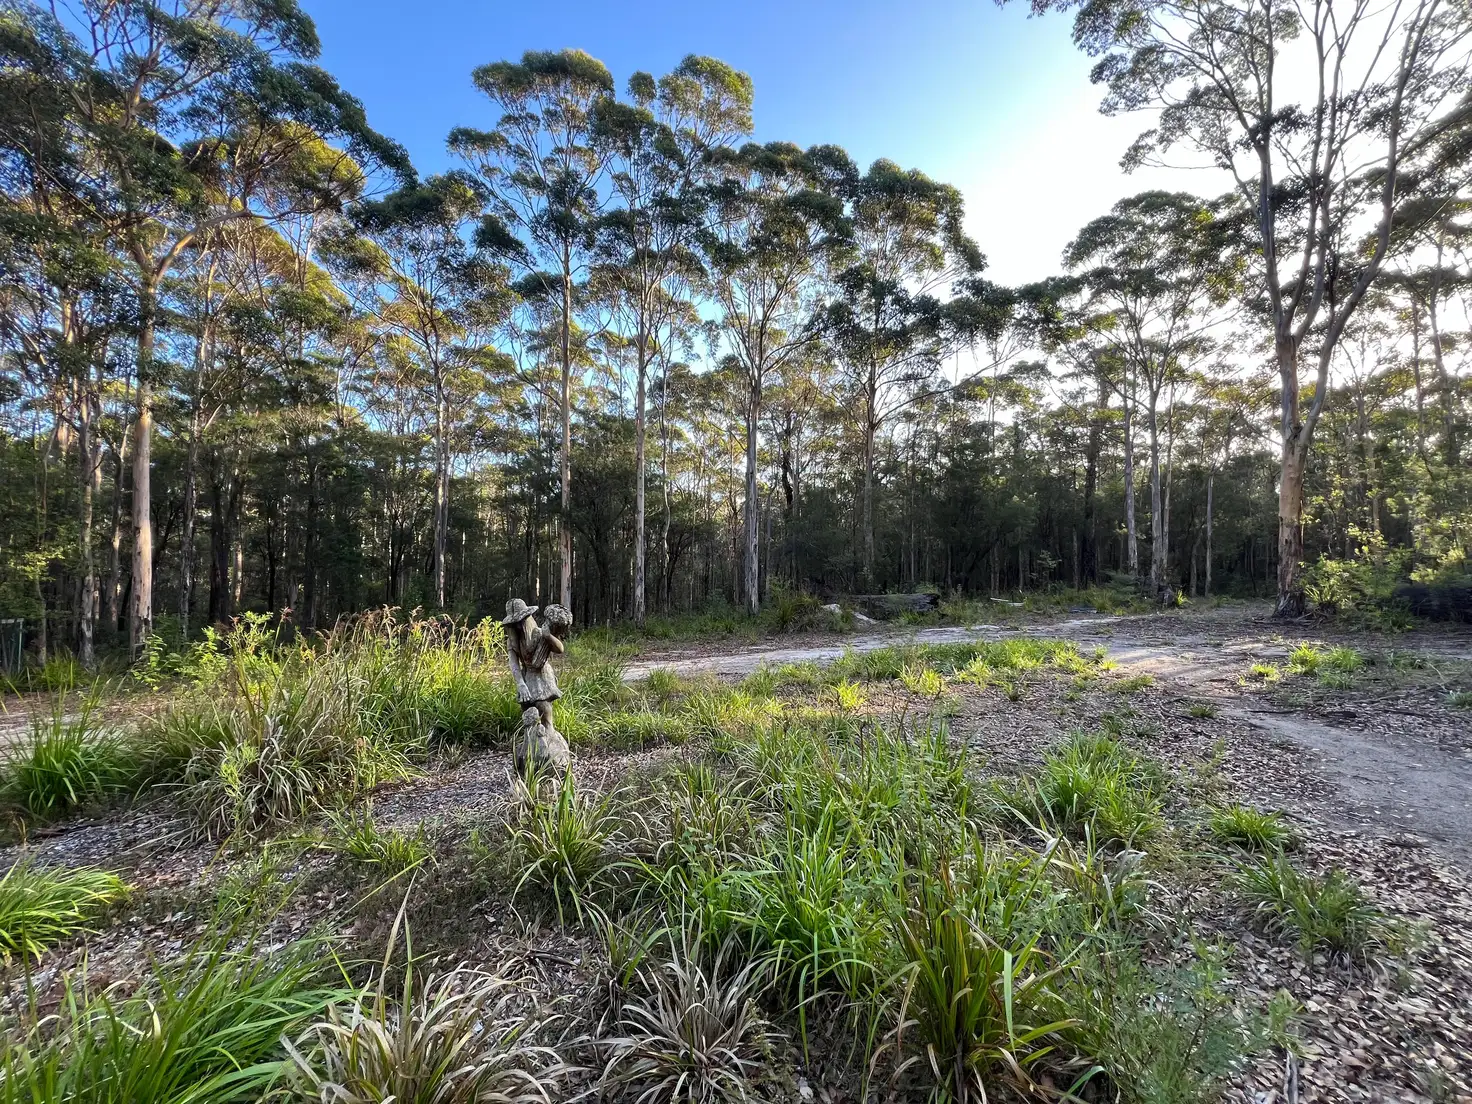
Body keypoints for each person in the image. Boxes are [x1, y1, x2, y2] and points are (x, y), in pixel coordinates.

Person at [502, 598, 571, 774]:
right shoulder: (513, 640)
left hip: (542, 675)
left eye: (520, 622)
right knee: (527, 710)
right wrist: (520, 684)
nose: (517, 627)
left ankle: (551, 748)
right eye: (514, 624)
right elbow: (514, 663)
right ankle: (530, 749)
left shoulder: (539, 632)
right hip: (527, 675)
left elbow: (560, 649)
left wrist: (548, 637)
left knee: (543, 707)